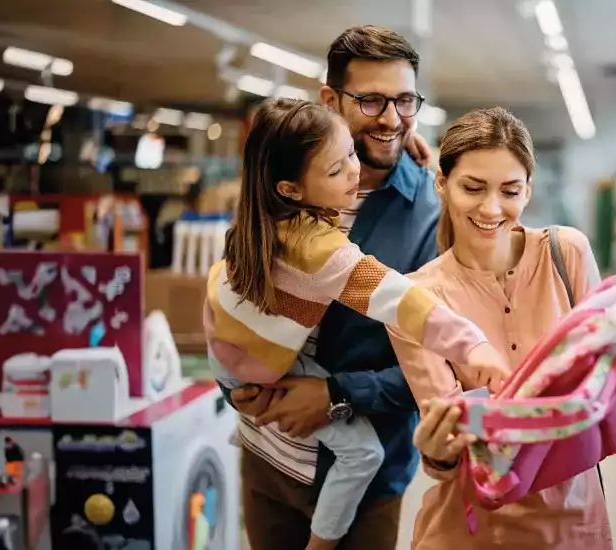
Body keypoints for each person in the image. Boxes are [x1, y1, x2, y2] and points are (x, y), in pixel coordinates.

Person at [207, 98, 504, 550]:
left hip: (227, 353)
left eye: (351, 152)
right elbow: (404, 301)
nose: (354, 172)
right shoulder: (323, 251)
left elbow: (293, 133)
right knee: (363, 453)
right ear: (290, 187)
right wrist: (472, 345)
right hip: (259, 378)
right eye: (336, 169)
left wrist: (405, 149)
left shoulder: (260, 213)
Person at [391, 107, 616, 549]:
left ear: (529, 191)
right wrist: (437, 450)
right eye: (473, 188)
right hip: (469, 532)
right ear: (442, 184)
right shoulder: (418, 299)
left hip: (574, 527)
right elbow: (451, 452)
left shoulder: (565, 253)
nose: (491, 208)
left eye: (510, 191)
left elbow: (606, 397)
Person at [224, 25, 443, 550]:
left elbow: (441, 367)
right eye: (370, 101)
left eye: (404, 100)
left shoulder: (429, 215)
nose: (391, 119)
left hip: (364, 482)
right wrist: (232, 381)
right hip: (268, 463)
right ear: (330, 99)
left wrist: (337, 397)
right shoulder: (284, 183)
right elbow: (237, 293)